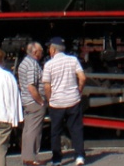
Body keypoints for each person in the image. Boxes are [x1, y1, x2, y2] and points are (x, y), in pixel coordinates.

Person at [42, 37, 86, 166]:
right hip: (73, 100)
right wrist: (79, 91)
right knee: (76, 129)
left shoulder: (49, 64)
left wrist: (50, 99)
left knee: (55, 131)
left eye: (50, 48)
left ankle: (57, 159)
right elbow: (82, 78)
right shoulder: (73, 60)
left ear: (53, 49)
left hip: (57, 102)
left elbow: (46, 86)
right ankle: (79, 156)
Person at [18, 42, 46, 166]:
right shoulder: (32, 65)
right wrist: (41, 101)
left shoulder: (24, 63)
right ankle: (31, 158)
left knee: (28, 129)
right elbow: (31, 86)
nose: (42, 54)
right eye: (41, 51)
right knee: (34, 130)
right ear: (35, 52)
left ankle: (26, 156)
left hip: (26, 101)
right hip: (33, 102)